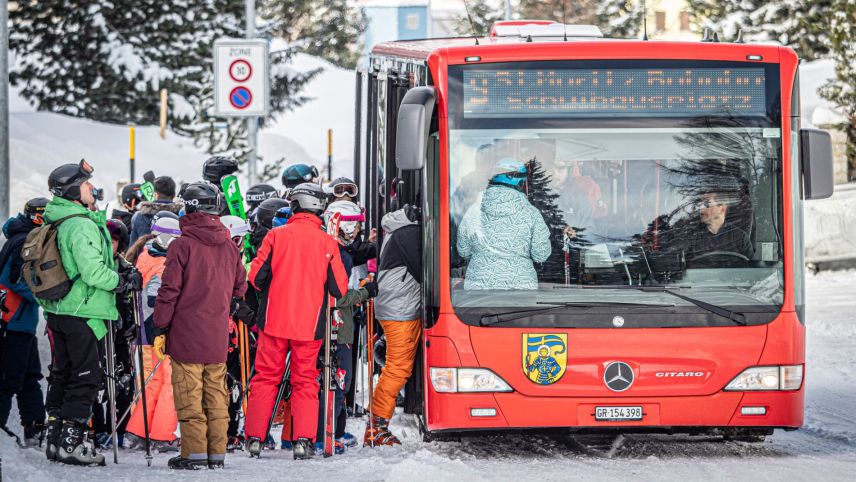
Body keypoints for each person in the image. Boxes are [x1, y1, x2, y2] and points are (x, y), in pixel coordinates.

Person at [40, 160, 141, 466]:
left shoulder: (57, 219)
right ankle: (73, 442)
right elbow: (93, 271)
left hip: (61, 308)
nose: (92, 188)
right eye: (86, 184)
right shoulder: (80, 223)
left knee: (64, 373)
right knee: (87, 377)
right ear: (73, 189)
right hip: (84, 309)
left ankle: (56, 438)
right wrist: (121, 282)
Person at [244, 182, 348, 460]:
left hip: (273, 321)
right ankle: (303, 440)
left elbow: (256, 278)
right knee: (305, 381)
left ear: (295, 205)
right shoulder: (327, 242)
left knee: (266, 378)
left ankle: (255, 438)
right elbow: (340, 288)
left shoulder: (275, 236)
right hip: (309, 324)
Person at [152, 181, 246, 470]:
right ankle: (216, 453)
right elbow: (240, 287)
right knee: (216, 394)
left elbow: (169, 291)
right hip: (217, 333)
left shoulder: (182, 245)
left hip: (186, 334)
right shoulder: (230, 245)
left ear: (189, 207)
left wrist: (160, 326)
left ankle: (193, 453)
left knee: (189, 395)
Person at [312, 200, 376, 454]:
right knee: (337, 381)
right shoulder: (335, 253)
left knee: (339, 382)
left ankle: (334, 431)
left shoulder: (339, 250)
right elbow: (333, 297)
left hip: (337, 324)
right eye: (351, 229)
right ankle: (323, 435)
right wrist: (363, 293)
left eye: (356, 229)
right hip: (335, 326)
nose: (355, 234)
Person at [364, 205, 422, 446]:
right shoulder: (409, 233)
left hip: (399, 306)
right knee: (397, 369)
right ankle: (376, 428)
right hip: (400, 310)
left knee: (397, 368)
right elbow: (423, 270)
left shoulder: (399, 230)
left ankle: (376, 425)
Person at [124, 215, 181, 452]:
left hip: (143, 329)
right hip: (159, 329)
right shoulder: (163, 262)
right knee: (170, 380)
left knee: (151, 381)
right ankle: (162, 434)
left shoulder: (144, 255)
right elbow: (158, 298)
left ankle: (138, 431)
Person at [457, 158, 551, 290]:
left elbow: (463, 251)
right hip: (521, 288)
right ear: (521, 183)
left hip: (478, 291)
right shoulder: (531, 213)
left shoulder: (473, 211)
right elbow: (541, 254)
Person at [0, 198, 49, 446]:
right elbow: (13, 279)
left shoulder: (27, 238)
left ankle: (35, 427)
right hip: (13, 322)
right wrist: (43, 296)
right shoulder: (22, 241)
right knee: (9, 379)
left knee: (30, 376)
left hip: (24, 322)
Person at [684, 189, 754, 267]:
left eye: (707, 204)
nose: (701, 208)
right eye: (700, 204)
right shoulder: (691, 237)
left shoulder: (740, 238)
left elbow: (750, 271)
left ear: (722, 208)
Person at [129, 175, 181, 245]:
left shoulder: (138, 217)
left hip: (145, 255)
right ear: (174, 195)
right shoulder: (181, 216)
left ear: (155, 195)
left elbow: (132, 248)